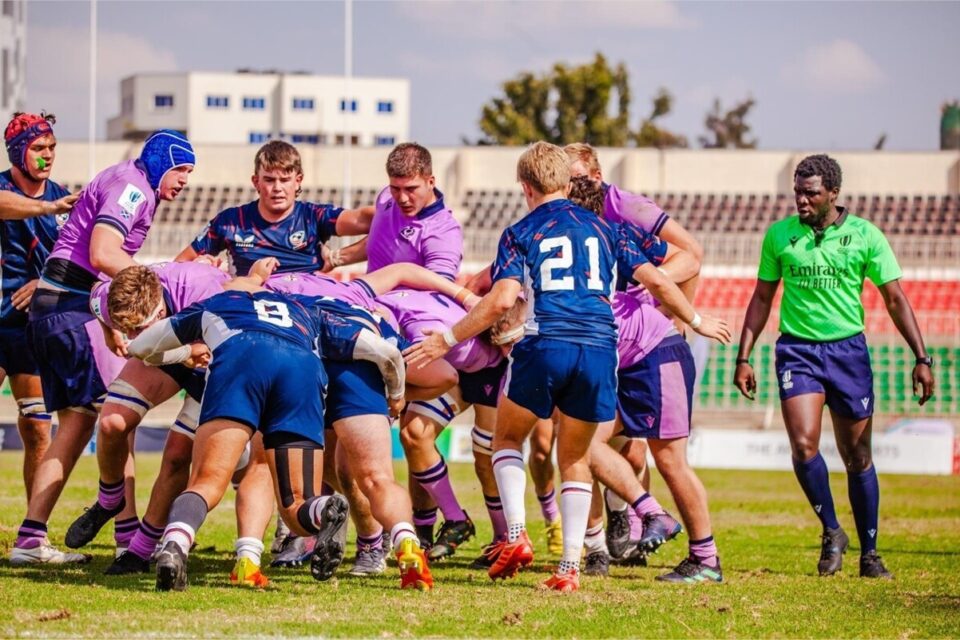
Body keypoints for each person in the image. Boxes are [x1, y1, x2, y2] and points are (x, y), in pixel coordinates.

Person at [405, 142, 729, 592]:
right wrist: (696, 319)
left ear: (525, 186)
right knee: (575, 456)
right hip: (599, 351)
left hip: (546, 344)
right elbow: (656, 277)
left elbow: (500, 299)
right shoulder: (607, 228)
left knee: (506, 438)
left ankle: (516, 537)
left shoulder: (520, 231)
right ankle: (571, 569)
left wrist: (447, 337)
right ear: (565, 182)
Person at [734, 154, 934, 580]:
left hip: (848, 353)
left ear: (833, 194)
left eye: (811, 193)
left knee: (857, 456)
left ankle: (871, 553)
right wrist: (743, 356)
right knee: (804, 446)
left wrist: (921, 358)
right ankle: (831, 531)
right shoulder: (780, 236)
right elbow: (762, 298)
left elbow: (895, 298)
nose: (801, 200)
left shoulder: (866, 235)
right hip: (798, 351)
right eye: (797, 192)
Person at [9, 129, 195, 566]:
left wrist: (113, 324)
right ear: (161, 162)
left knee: (75, 426)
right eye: (182, 169)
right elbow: (104, 252)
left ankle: (32, 537)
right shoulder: (134, 187)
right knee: (119, 416)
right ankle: (126, 534)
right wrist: (158, 288)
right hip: (71, 308)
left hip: (56, 309)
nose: (185, 180)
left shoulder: (124, 178)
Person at [0, 111, 71, 507]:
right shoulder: (5, 190)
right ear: (17, 151)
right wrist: (45, 208)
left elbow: (76, 263)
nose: (48, 156)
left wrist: (45, 282)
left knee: (38, 429)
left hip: (29, 328)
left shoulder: (61, 197)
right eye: (39, 148)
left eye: (53, 147)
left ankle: (33, 534)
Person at [176, 140, 372, 275]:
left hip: (304, 310)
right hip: (247, 309)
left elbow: (371, 220)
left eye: (285, 180)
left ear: (298, 181)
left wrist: (338, 258)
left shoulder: (313, 217)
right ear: (256, 182)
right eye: (269, 180)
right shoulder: (230, 222)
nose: (277, 188)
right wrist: (202, 268)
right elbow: (178, 265)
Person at [364, 142, 462, 279]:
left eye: (411, 189)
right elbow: (380, 236)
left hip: (399, 301)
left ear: (431, 183)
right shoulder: (386, 195)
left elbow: (437, 294)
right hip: (364, 298)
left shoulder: (444, 232)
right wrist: (336, 257)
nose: (402, 198)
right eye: (395, 188)